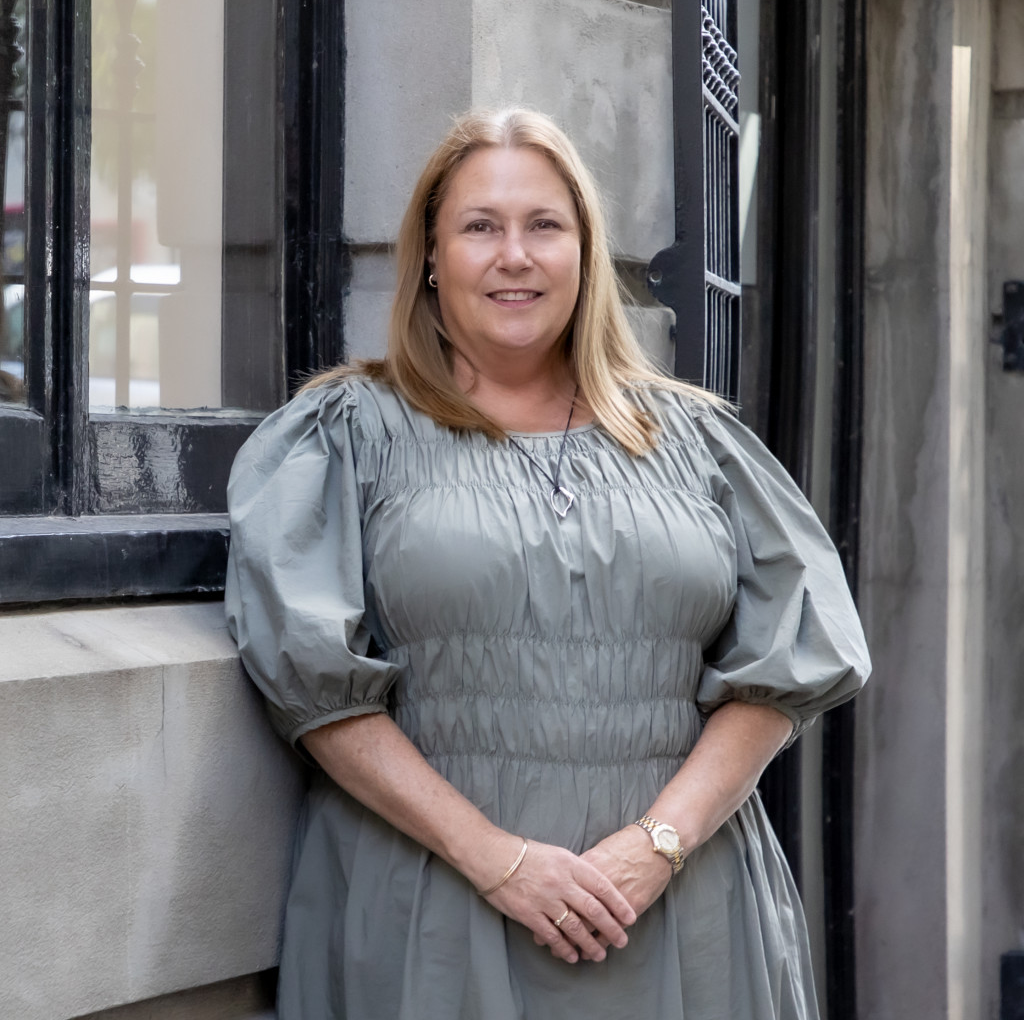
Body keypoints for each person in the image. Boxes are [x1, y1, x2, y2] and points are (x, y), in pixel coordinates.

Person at [225, 107, 870, 1020]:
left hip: (682, 907)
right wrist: (497, 860)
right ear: (432, 255)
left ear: (585, 251)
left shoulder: (696, 439)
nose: (515, 256)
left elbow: (786, 665)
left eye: (544, 226)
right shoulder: (345, 433)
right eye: (480, 227)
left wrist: (657, 847)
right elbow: (316, 692)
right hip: (435, 903)